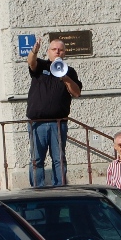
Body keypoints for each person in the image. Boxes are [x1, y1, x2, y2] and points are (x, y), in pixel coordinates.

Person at [26, 36, 82, 187]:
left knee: (59, 159)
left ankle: (60, 188)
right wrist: (34, 51)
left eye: (60, 50)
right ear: (48, 52)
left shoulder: (70, 71)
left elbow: (76, 93)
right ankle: (38, 188)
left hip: (58, 123)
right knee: (37, 159)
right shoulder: (41, 66)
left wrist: (65, 78)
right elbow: (31, 62)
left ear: (64, 53)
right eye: (54, 49)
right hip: (37, 123)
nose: (57, 52)